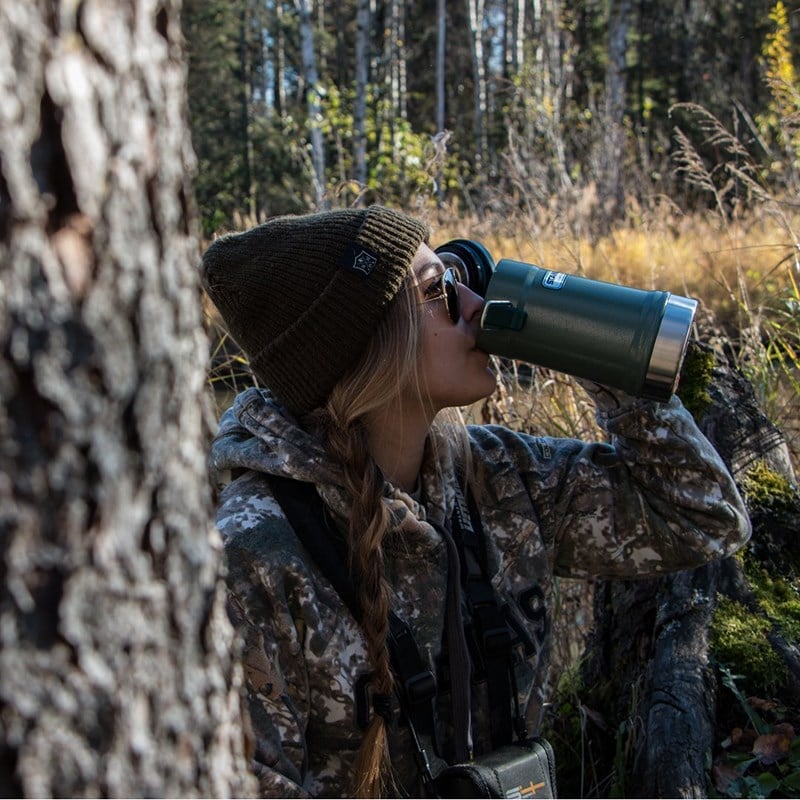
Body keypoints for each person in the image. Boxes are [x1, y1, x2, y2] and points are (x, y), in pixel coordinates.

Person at [200, 205, 750, 799]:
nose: (476, 307)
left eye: (459, 280)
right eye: (438, 290)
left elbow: (703, 516)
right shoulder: (254, 557)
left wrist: (600, 342)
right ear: (366, 345)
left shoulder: (499, 478)